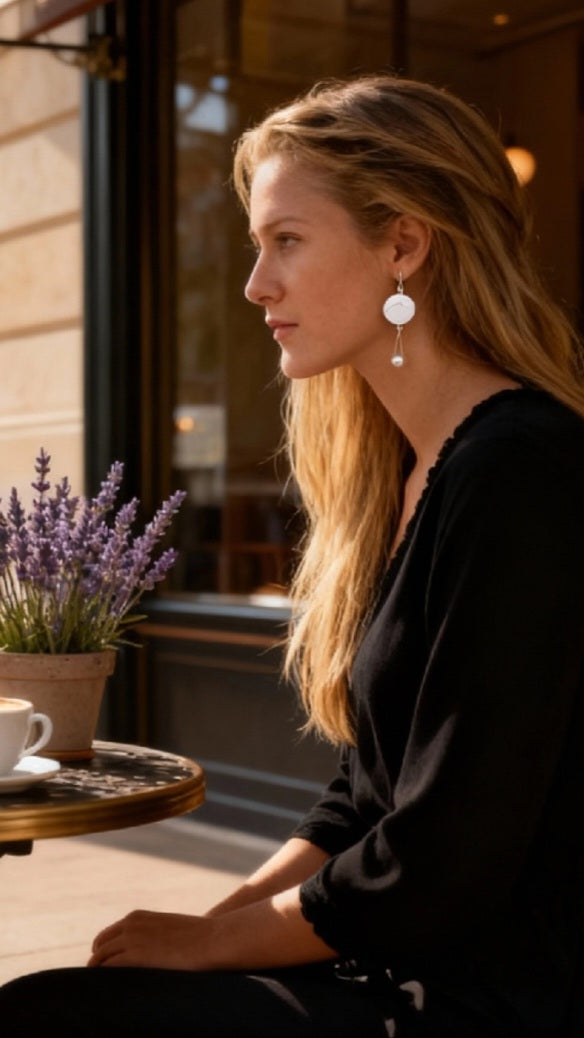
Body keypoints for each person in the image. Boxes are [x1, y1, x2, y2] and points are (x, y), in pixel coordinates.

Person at [2, 73, 584, 1038]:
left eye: (287, 241)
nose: (254, 284)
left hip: (486, 1005)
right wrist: (208, 927)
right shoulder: (417, 470)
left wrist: (208, 948)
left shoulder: (521, 472)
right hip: (397, 967)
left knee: (50, 1021)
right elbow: (361, 802)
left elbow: (444, 857)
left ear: (403, 243)